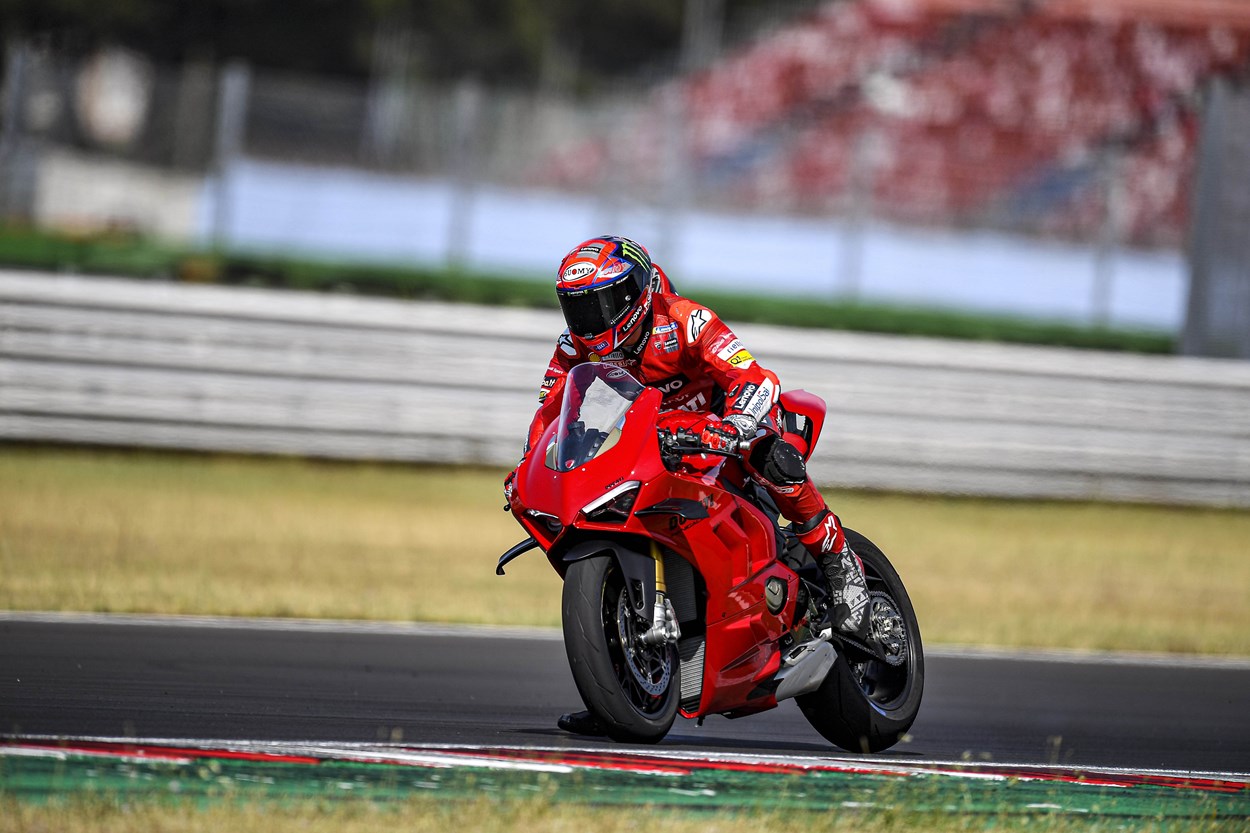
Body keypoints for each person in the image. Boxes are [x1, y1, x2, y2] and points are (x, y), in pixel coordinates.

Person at [509, 235, 868, 736]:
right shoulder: (573, 348)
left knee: (774, 458)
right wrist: (533, 463)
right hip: (653, 445)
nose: (589, 321)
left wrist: (737, 423)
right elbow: (551, 415)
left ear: (635, 293)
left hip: (725, 427)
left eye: (601, 304)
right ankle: (616, 678)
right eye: (578, 308)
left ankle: (839, 562)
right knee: (586, 519)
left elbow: (753, 376)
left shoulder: (683, 320)